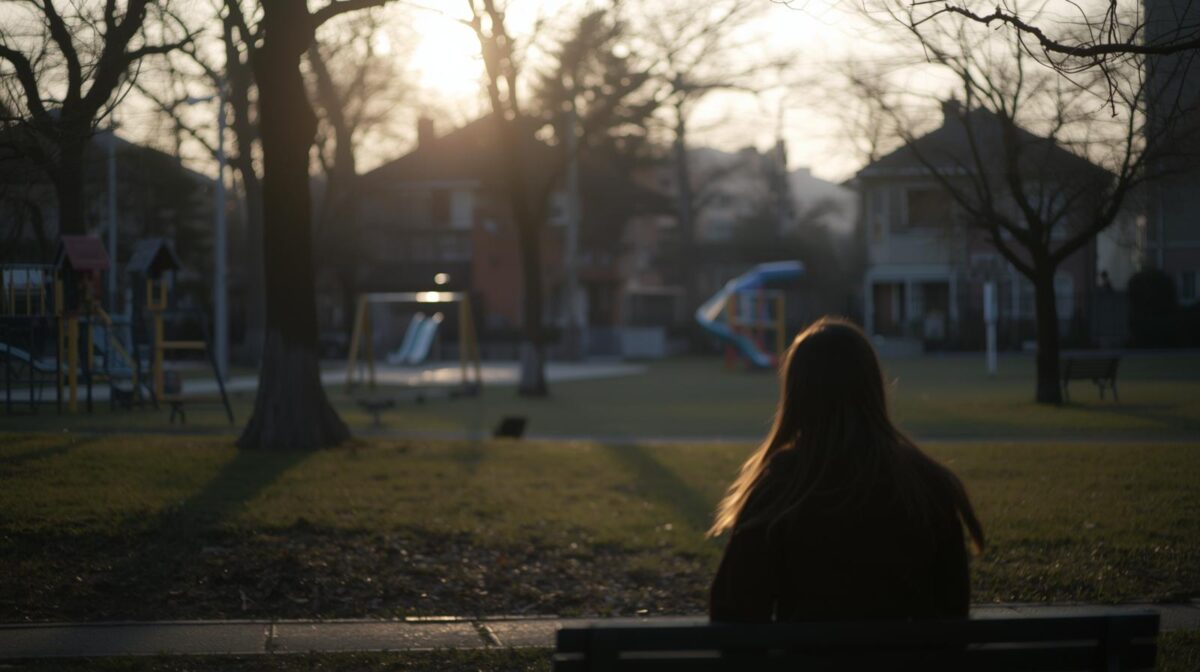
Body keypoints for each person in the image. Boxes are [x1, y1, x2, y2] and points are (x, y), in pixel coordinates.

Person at [709, 317, 984, 622]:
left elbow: (732, 612)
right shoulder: (927, 483)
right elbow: (954, 608)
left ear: (796, 395)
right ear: (873, 387)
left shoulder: (783, 485)